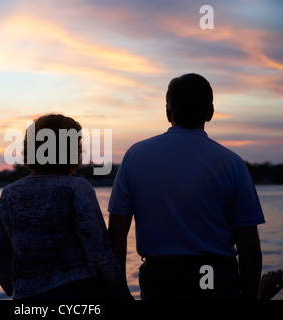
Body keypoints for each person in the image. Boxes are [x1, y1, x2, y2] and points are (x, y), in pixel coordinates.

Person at [108, 73, 265, 300]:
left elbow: (116, 234)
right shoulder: (232, 163)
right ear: (210, 113)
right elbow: (250, 248)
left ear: (168, 113)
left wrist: (120, 291)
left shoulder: (136, 155)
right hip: (213, 276)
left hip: (159, 278)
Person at [0, 114, 131, 300]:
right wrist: (121, 295)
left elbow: (0, 261)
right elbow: (100, 253)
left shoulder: (9, 194)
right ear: (72, 150)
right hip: (78, 293)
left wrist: (19, 289)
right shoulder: (78, 189)